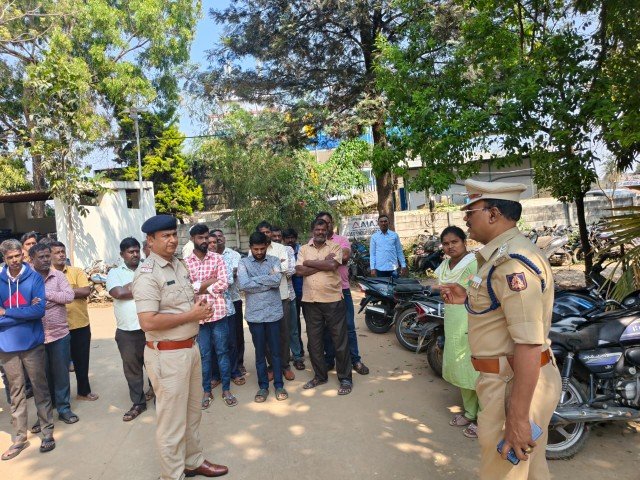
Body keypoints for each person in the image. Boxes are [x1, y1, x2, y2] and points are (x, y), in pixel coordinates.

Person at [440, 180, 561, 480]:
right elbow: (501, 309)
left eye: (471, 211)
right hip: (512, 378)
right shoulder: (500, 255)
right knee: (531, 471)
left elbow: (529, 343)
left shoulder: (512, 264)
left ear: (493, 214)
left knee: (502, 472)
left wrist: (517, 418)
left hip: (512, 383)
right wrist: (467, 298)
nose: (466, 218)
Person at [133, 214, 228, 479]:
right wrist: (190, 316)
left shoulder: (178, 265)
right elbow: (147, 321)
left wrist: (198, 308)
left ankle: (192, 461)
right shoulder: (147, 274)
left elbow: (181, 303)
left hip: (189, 349)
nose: (172, 240)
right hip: (167, 355)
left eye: (174, 234)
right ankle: (172, 475)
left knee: (192, 413)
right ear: (150, 240)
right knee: (172, 423)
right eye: (165, 236)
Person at [0, 239, 55, 460]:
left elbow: (39, 311)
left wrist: (6, 313)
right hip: (6, 346)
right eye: (10, 257)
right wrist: (25, 312)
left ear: (22, 255)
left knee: (40, 388)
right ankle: (19, 438)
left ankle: (47, 432)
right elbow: (30, 312)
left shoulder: (34, 278)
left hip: (32, 344)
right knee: (16, 393)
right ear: (4, 258)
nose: (15, 260)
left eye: (17, 256)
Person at [295, 218, 353, 395]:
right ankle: (320, 376)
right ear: (312, 231)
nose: (320, 232)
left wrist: (309, 262)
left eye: (323, 229)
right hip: (310, 302)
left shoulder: (335, 247)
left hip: (333, 300)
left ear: (327, 230)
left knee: (339, 341)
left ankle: (345, 378)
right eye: (317, 229)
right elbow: (299, 271)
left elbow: (333, 264)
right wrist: (323, 264)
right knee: (314, 342)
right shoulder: (304, 249)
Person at [431, 226, 479, 438]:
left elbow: (478, 290)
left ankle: (484, 418)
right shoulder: (445, 265)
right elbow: (439, 286)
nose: (450, 246)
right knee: (461, 367)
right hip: (452, 318)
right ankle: (470, 412)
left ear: (464, 242)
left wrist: (459, 292)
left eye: (454, 242)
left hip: (471, 317)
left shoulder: (474, 263)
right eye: (446, 243)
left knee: (475, 368)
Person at [184, 224, 235, 408]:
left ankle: (226, 389)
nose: (205, 241)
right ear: (192, 239)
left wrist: (200, 287)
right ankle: (206, 391)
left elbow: (224, 283)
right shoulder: (185, 262)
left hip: (218, 313)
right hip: (198, 317)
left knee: (222, 352)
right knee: (204, 355)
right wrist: (209, 283)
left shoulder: (218, 258)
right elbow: (187, 289)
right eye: (200, 238)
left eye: (206, 237)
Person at [30, 243, 79, 425]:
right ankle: (44, 415)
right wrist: (51, 300)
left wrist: (45, 294)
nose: (45, 260)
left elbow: (69, 297)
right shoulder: (27, 278)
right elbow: (27, 304)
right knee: (40, 378)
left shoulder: (58, 275)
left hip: (60, 334)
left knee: (61, 374)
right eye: (41, 257)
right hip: (36, 336)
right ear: (32, 259)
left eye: (47, 256)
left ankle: (64, 409)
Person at [315, 212, 369, 375]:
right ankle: (329, 360)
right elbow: (307, 264)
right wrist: (328, 260)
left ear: (332, 224)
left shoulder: (342, 240)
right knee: (326, 329)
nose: (326, 226)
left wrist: (321, 261)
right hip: (323, 291)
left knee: (349, 326)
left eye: (328, 222)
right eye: (322, 223)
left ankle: (355, 360)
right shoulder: (313, 242)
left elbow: (344, 257)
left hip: (342, 289)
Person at [238, 231, 288, 403]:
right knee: (259, 353)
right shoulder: (243, 262)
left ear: (266, 246)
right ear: (250, 247)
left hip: (273, 313)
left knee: (276, 352)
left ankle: (279, 385)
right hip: (255, 316)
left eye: (262, 248)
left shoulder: (274, 261)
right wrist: (267, 279)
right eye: (255, 249)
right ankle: (263, 386)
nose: (259, 252)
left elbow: (277, 281)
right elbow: (243, 284)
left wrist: (255, 280)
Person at [106, 237, 149, 421]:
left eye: (137, 251)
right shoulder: (114, 273)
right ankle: (138, 403)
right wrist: (142, 288)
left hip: (151, 327)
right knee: (132, 369)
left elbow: (157, 289)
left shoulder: (148, 268)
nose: (135, 254)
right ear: (122, 254)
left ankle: (159, 396)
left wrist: (130, 287)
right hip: (127, 331)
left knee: (155, 365)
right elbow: (118, 293)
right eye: (131, 252)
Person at [50, 241, 98, 402]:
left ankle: (83, 392)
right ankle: (59, 399)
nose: (61, 255)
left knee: (82, 360)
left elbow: (85, 290)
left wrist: (58, 293)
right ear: (49, 255)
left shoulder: (76, 271)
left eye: (62, 251)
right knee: (58, 365)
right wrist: (71, 292)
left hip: (79, 323)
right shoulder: (46, 275)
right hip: (56, 327)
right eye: (57, 252)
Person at [255, 221, 295, 381]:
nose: (266, 235)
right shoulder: (254, 250)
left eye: (268, 232)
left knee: (283, 333)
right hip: (263, 298)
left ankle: (285, 366)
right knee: (266, 334)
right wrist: (274, 269)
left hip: (282, 296)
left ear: (271, 233)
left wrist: (267, 272)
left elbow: (285, 269)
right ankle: (272, 365)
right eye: (262, 232)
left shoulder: (280, 248)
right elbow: (253, 273)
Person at [209, 230, 245, 385]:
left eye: (217, 239)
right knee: (213, 343)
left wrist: (207, 282)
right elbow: (195, 284)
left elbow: (229, 279)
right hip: (209, 308)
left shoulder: (228, 257)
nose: (214, 243)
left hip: (228, 305)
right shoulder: (201, 260)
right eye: (211, 241)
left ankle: (234, 371)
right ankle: (216, 375)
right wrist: (217, 280)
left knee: (231, 341)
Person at [272, 226, 305, 370]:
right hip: (272, 297)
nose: (277, 238)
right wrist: (281, 267)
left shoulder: (288, 250)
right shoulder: (266, 251)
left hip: (290, 295)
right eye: (274, 236)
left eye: (279, 236)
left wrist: (274, 271)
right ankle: (281, 359)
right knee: (277, 331)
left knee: (293, 329)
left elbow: (292, 270)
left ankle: (297, 356)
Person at [283, 228, 305, 367]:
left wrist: (296, 270)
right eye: (287, 238)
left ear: (296, 238)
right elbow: (292, 271)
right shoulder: (283, 251)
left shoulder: (302, 250)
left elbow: (299, 270)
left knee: (310, 322)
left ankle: (310, 351)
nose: (290, 240)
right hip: (291, 293)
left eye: (292, 237)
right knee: (294, 324)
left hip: (305, 291)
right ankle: (299, 352)